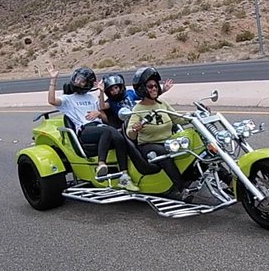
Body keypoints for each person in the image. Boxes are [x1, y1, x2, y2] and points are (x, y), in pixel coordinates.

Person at [47, 63, 139, 192]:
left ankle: (124, 177)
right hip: (85, 130)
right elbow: (51, 101)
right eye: (77, 79)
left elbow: (105, 117)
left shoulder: (91, 97)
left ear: (88, 84)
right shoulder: (67, 99)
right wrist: (53, 79)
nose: (78, 82)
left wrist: (98, 111)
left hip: (100, 127)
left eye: (82, 81)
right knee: (108, 131)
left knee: (119, 137)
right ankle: (101, 164)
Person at [125, 66, 189, 199]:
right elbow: (129, 133)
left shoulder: (162, 103)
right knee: (163, 153)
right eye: (150, 86)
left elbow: (178, 119)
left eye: (155, 85)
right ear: (142, 88)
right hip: (148, 146)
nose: (154, 88)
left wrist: (196, 115)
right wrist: (135, 129)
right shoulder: (138, 108)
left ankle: (228, 181)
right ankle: (182, 189)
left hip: (168, 141)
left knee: (197, 143)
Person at [98, 73, 174, 129]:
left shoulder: (129, 93)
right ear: (108, 92)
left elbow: (146, 96)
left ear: (121, 86)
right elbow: (102, 106)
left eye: (116, 87)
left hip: (140, 118)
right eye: (111, 90)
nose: (114, 91)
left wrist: (163, 90)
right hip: (126, 125)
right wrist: (101, 91)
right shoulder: (111, 102)